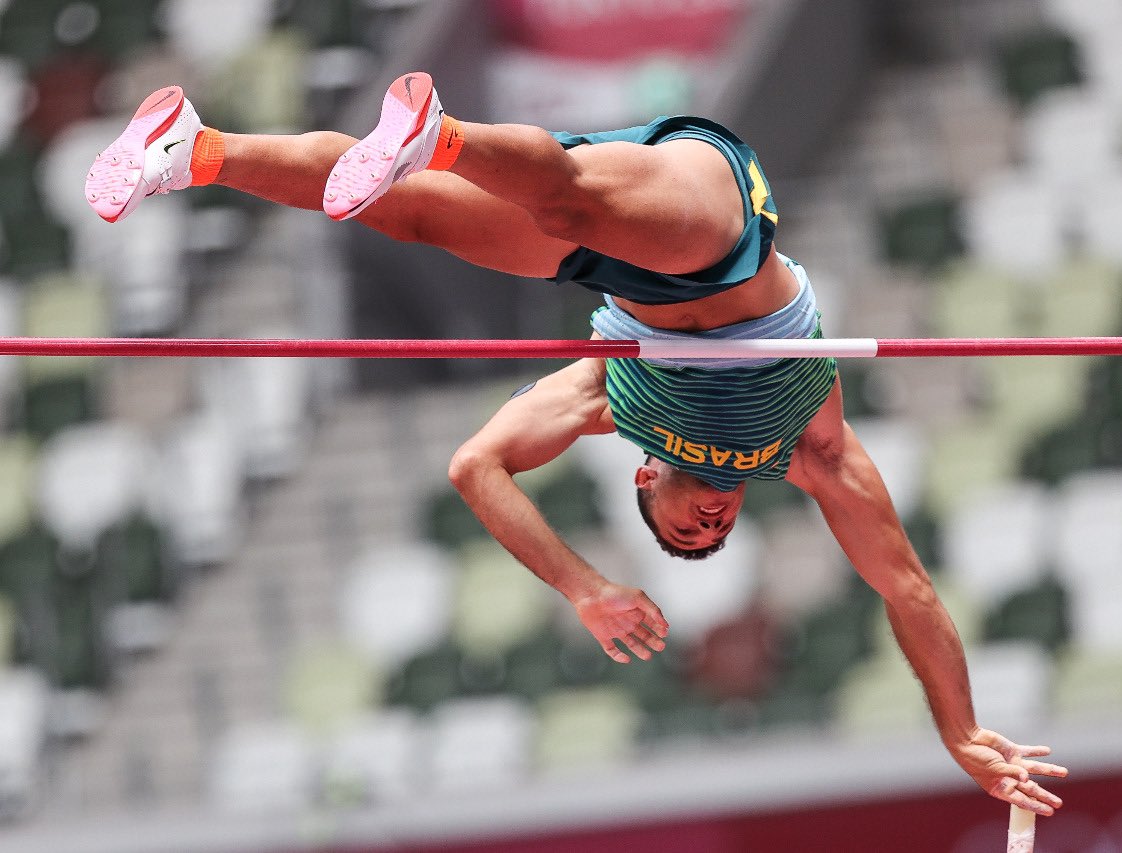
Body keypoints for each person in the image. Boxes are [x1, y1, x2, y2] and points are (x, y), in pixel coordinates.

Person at [88, 73, 1067, 816]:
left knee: (423, 213)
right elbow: (905, 586)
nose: (709, 521)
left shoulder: (610, 395)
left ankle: (221, 148)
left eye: (684, 530)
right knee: (535, 203)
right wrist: (960, 727)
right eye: (714, 529)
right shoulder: (809, 451)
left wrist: (583, 587)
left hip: (629, 247)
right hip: (716, 237)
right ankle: (409, 135)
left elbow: (475, 465)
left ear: (644, 472)